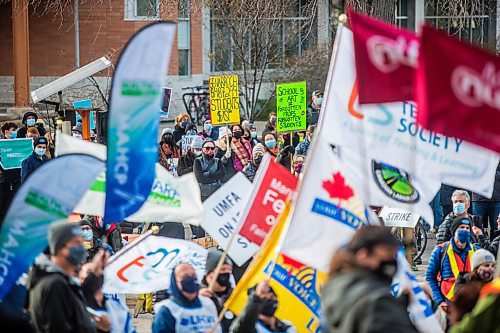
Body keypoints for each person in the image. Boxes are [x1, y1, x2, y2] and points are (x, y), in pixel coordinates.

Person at [322, 225, 417, 332]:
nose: (392, 260)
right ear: (364, 255)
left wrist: (399, 302)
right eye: (388, 253)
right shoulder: (378, 300)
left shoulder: (335, 283)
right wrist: (391, 304)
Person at [29, 221, 110, 332]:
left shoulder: (64, 280)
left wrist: (95, 273)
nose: (82, 247)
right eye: (77, 242)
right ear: (60, 247)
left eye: (82, 242)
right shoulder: (55, 285)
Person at [426, 217, 481, 312]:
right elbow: (430, 277)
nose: (465, 230)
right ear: (454, 231)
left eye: (467, 228)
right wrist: (439, 301)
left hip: (470, 304)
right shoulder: (440, 250)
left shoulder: (476, 250)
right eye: (461, 227)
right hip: (447, 304)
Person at [153, 263, 222, 333]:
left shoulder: (208, 304)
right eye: (185, 276)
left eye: (193, 275)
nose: (190, 278)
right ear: (175, 282)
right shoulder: (167, 310)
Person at [79, 263, 136, 333]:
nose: (85, 276)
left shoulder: (117, 308)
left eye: (90, 272)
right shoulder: (72, 305)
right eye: (80, 272)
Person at [230, 280, 296, 333]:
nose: (273, 301)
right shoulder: (247, 324)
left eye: (274, 297)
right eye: (269, 298)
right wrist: (257, 297)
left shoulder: (287, 326)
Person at [199, 250, 235, 333]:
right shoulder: (196, 295)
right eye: (222, 269)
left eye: (229, 270)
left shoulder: (235, 295)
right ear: (210, 273)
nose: (227, 273)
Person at [472, 163, 500, 241]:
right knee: (477, 225)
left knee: (496, 226)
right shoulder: (477, 157)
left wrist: (492, 173)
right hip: (478, 198)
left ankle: (495, 247)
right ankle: (477, 246)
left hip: (496, 198)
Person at [0, 122, 21, 222]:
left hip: (17, 178)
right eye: (13, 131)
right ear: (6, 132)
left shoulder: (20, 145)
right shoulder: (1, 145)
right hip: (4, 180)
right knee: (4, 204)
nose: (15, 133)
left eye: (16, 131)